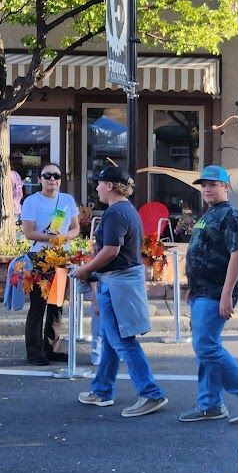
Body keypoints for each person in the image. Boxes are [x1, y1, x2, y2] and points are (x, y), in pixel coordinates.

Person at [72, 166, 167, 417]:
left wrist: (85, 270)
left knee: (122, 342)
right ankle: (102, 390)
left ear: (111, 186)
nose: (97, 188)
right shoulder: (126, 210)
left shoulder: (115, 213)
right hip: (118, 281)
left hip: (117, 283)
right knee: (112, 341)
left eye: (100, 183)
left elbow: (111, 250)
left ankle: (151, 393)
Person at [179, 165, 238, 423]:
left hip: (215, 292)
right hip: (201, 290)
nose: (206, 189)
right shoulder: (208, 215)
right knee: (208, 347)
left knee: (205, 347)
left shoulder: (230, 215)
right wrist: (192, 287)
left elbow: (237, 255)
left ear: (226, 187)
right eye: (204, 185)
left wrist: (227, 294)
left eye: (213, 184)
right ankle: (210, 404)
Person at [20, 165, 80, 365]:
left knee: (56, 305)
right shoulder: (31, 201)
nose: (52, 179)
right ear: (40, 179)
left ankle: (52, 349)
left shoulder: (67, 200)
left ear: (60, 180)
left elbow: (75, 228)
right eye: (47, 176)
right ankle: (34, 352)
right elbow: (28, 233)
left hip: (61, 257)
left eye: (56, 175)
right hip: (40, 259)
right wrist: (50, 238)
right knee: (38, 306)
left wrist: (64, 238)